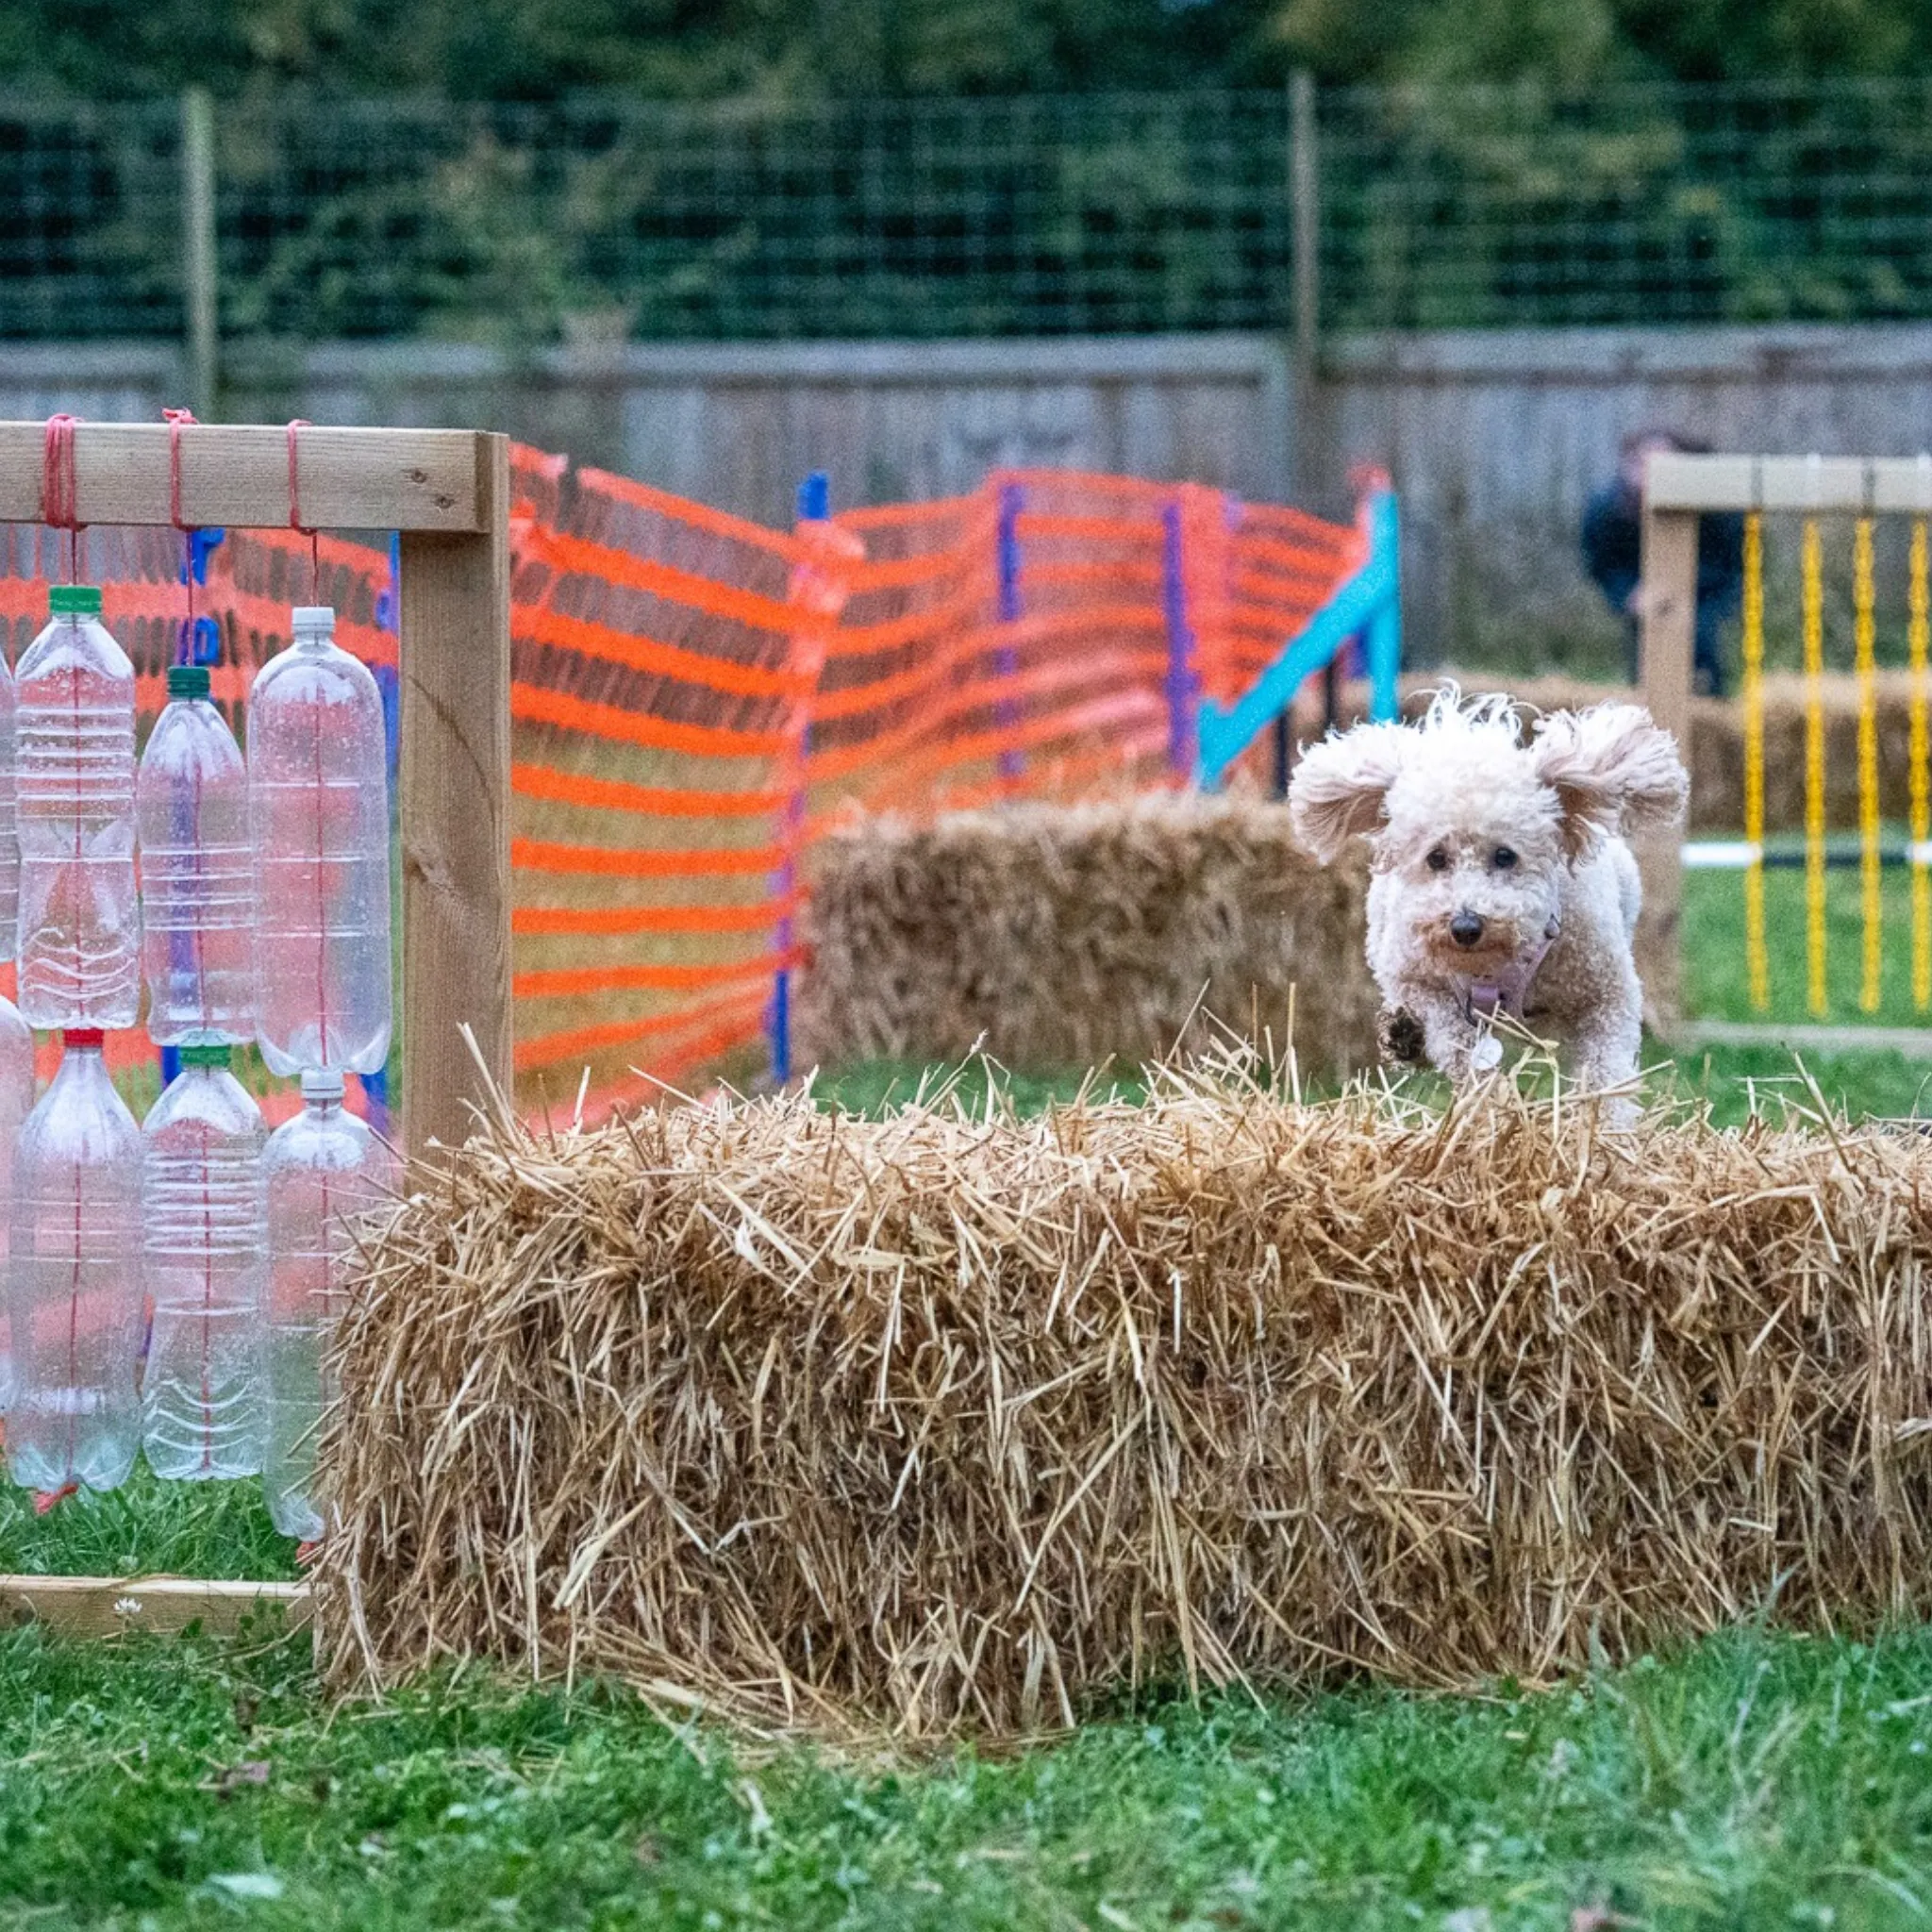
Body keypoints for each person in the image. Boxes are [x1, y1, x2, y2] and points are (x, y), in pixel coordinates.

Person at [1581, 429, 1743, 696]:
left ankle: (1709, 697)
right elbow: (1603, 565)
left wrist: (1683, 590)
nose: (1649, 474)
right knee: (1646, 654)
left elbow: (1732, 561)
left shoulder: (1718, 508)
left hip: (1706, 589)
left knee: (1701, 649)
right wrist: (1628, 595)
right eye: (1641, 464)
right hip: (1640, 589)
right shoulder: (1606, 510)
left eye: (1663, 465)